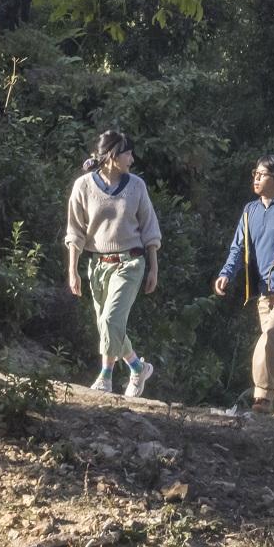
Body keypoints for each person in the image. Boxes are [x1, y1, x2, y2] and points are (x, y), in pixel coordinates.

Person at [212, 153, 274, 417]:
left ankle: (262, 396)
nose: (256, 178)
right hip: (264, 294)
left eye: (263, 174)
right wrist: (226, 273)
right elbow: (238, 248)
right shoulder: (250, 210)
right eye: (255, 173)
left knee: (270, 336)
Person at [64, 130, 161, 397]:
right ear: (112, 156)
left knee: (110, 319)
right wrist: (73, 270)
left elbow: (150, 229)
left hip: (131, 263)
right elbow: (75, 232)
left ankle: (105, 377)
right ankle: (138, 367)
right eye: (127, 153)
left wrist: (153, 268)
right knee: (107, 324)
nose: (132, 158)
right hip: (98, 265)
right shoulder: (83, 186)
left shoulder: (136, 186)